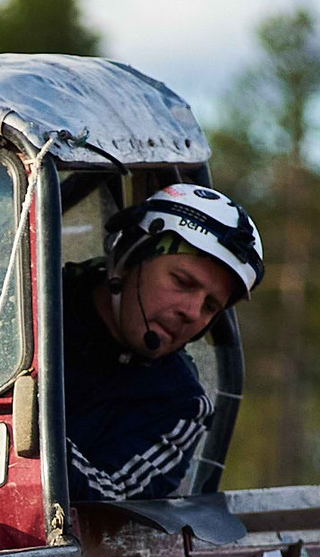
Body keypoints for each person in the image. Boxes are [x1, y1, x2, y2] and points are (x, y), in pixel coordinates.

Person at [63, 183, 264, 502]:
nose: (192, 312)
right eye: (182, 282)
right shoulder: (23, 307)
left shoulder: (179, 405)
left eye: (210, 306)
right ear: (130, 258)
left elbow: (112, 499)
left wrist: (33, 430)